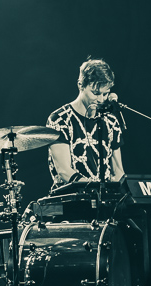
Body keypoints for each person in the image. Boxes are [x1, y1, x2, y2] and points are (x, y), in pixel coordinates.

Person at [46, 57, 126, 192]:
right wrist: (95, 191)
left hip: (104, 200)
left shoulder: (110, 121)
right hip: (70, 199)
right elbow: (64, 171)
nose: (101, 99)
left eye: (105, 94)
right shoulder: (60, 119)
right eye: (95, 93)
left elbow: (118, 171)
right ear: (80, 85)